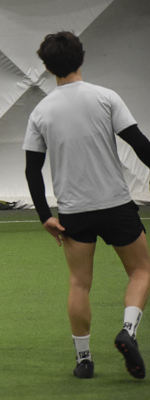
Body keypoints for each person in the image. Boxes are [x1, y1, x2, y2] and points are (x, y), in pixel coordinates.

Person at [23, 31, 150, 379]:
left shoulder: (40, 111)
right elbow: (140, 145)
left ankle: (84, 360)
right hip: (116, 205)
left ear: (48, 67)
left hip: (74, 212)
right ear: (81, 58)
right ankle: (128, 330)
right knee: (142, 271)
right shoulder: (106, 97)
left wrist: (45, 216)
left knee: (79, 283)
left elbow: (32, 170)